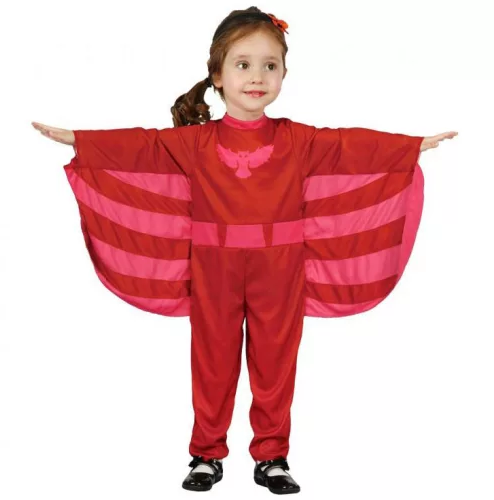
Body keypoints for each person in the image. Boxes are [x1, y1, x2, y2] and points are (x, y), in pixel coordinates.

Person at [31, 6, 458, 495]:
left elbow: (348, 146)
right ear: (217, 75)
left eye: (270, 65)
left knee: (276, 362)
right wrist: (81, 140)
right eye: (243, 64)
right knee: (211, 360)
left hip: (281, 267)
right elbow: (143, 147)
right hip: (213, 266)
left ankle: (272, 456)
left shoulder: (299, 140)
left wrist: (409, 146)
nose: (257, 77)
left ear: (284, 74)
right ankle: (206, 454)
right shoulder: (194, 143)